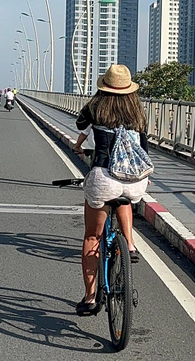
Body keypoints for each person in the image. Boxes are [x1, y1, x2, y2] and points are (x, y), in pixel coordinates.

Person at [71, 64, 149, 316]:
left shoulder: (96, 107)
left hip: (104, 176)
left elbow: (80, 123)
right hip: (136, 181)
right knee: (124, 197)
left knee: (92, 237)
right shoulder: (138, 113)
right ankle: (130, 243)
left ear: (105, 86)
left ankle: (90, 297)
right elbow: (145, 149)